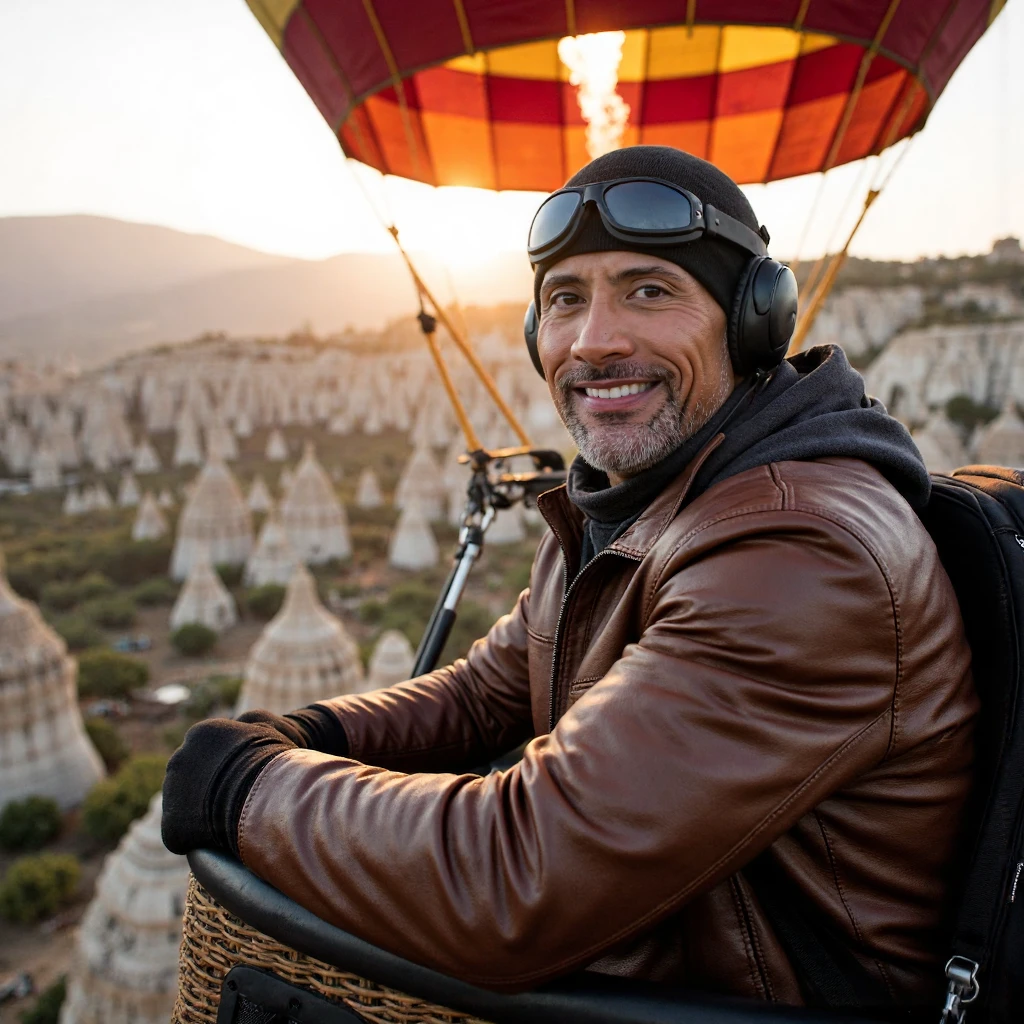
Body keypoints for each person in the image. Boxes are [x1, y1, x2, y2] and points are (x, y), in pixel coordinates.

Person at [162, 146, 977, 1008]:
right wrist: (305, 728)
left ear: (752, 321)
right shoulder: (637, 500)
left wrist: (245, 785)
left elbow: (516, 882)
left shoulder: (803, 551)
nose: (596, 341)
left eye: (650, 290)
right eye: (564, 300)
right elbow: (487, 693)